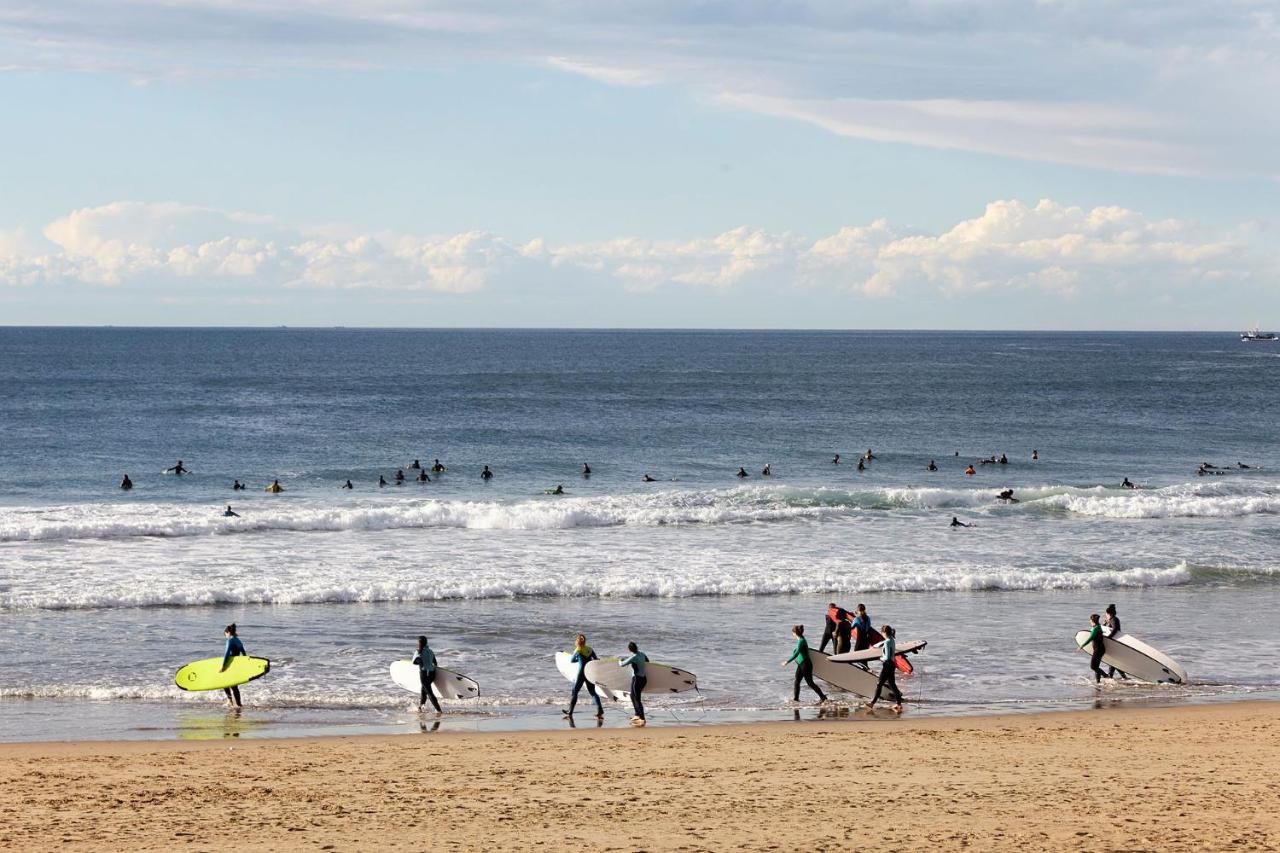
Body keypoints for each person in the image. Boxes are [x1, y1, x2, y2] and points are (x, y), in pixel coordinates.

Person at [782, 625, 826, 704]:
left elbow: (796, 653)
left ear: (795, 633)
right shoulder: (801, 640)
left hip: (806, 664)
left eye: (792, 633)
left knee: (810, 683)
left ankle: (823, 697)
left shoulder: (801, 641)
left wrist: (787, 661)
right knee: (797, 681)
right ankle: (796, 699)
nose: (792, 635)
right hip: (801, 664)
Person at [563, 634, 604, 719]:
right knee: (592, 692)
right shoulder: (589, 649)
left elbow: (572, 660)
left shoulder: (578, 650)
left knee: (575, 691)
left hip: (581, 673)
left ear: (577, 642)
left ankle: (570, 711)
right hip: (588, 672)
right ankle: (600, 710)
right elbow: (595, 659)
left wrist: (579, 658)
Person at [865, 625, 903, 712]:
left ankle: (872, 703)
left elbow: (887, 657)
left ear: (884, 632)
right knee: (892, 684)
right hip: (892, 664)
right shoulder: (892, 640)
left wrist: (880, 658)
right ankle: (899, 704)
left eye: (882, 632)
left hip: (887, 664)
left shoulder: (887, 642)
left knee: (879, 684)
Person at [619, 641, 649, 726]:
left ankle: (642, 718)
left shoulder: (634, 657)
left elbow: (622, 664)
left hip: (637, 679)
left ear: (629, 649)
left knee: (636, 698)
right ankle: (637, 715)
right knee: (633, 696)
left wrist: (619, 660)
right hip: (643, 679)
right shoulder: (642, 654)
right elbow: (647, 661)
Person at [219, 623, 247, 708]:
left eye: (225, 635)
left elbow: (227, 654)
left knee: (224, 683)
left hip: (229, 664)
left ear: (228, 632)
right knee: (234, 686)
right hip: (236, 664)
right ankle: (238, 704)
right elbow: (244, 653)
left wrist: (223, 666)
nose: (226, 637)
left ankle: (230, 701)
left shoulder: (230, 640)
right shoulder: (238, 640)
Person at [413, 635, 441, 714]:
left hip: (424, 674)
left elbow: (414, 662)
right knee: (423, 692)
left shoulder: (418, 651)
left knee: (429, 693)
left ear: (419, 643)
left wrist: (421, 663)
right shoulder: (430, 651)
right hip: (432, 674)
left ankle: (439, 710)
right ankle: (420, 708)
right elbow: (435, 663)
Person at [1102, 604, 1127, 679]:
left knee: (1113, 660)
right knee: (1113, 660)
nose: (1105, 615)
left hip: (1114, 642)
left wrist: (1109, 638)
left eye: (1106, 613)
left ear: (1109, 613)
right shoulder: (1110, 620)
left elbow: (1115, 629)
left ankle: (1111, 676)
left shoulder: (1114, 619)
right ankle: (1123, 677)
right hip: (1113, 642)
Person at [1081, 614, 1107, 683]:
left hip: (1098, 650)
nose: (1089, 621)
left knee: (1093, 666)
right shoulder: (1097, 626)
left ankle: (1106, 676)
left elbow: (1090, 638)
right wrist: (1104, 624)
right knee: (1096, 667)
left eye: (1090, 620)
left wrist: (1082, 645)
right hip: (1099, 649)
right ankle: (1098, 682)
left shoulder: (1096, 628)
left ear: (1092, 620)